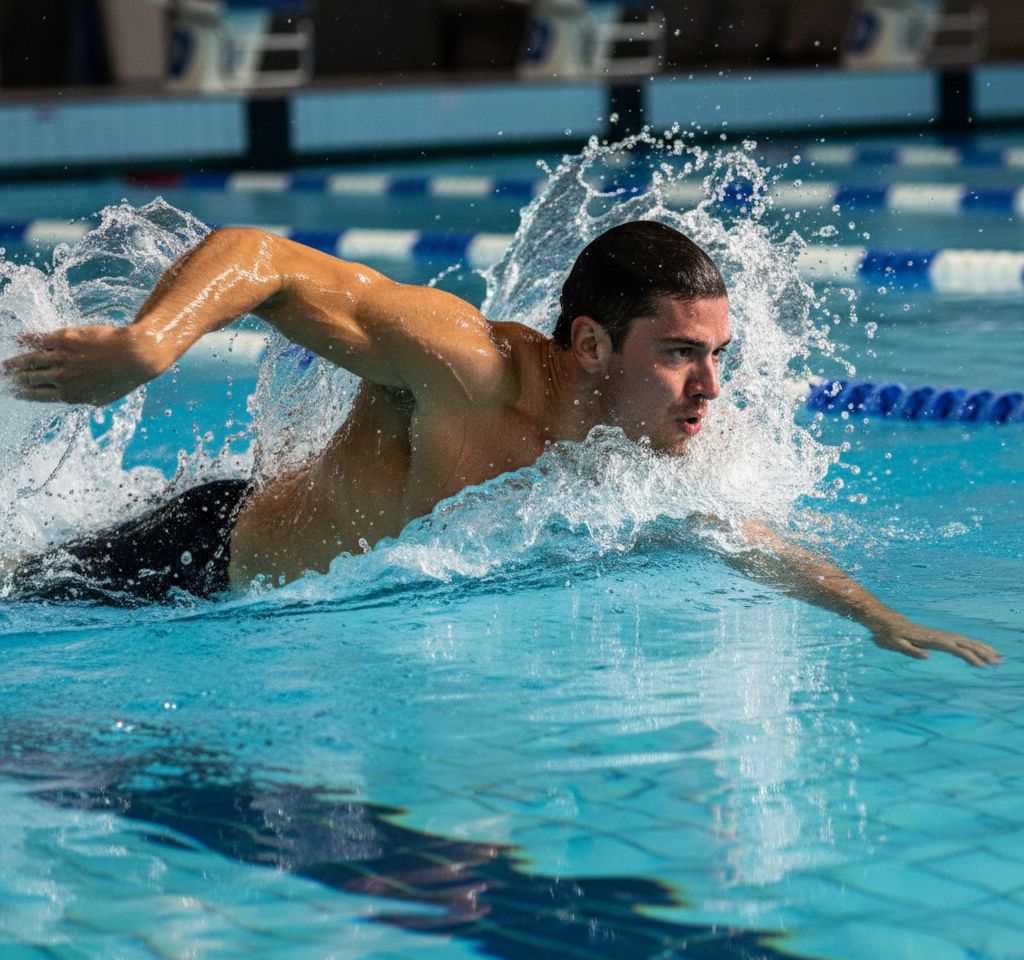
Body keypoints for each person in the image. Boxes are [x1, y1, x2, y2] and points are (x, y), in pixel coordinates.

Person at [1, 221, 1000, 666]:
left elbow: (730, 534)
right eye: (682, 355)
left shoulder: (638, 442)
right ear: (591, 343)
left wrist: (874, 615)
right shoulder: (463, 367)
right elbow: (261, 259)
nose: (710, 388)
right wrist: (148, 344)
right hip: (191, 564)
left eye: (718, 355)